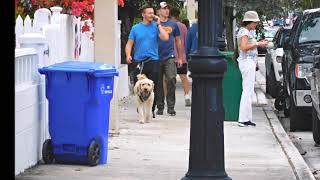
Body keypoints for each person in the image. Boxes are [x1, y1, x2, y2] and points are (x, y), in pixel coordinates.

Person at [125, 5, 169, 118]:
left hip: (153, 60)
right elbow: (129, 43)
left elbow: (165, 38)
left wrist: (159, 24)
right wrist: (128, 55)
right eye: (149, 13)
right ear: (143, 15)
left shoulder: (155, 26)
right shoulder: (136, 28)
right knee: (139, 86)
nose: (152, 15)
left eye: (153, 13)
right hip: (139, 62)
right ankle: (140, 108)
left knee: (153, 87)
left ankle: (151, 110)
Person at [236, 11, 268, 127]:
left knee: (248, 90)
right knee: (247, 90)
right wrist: (258, 44)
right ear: (249, 22)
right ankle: (243, 119)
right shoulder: (245, 32)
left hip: (248, 62)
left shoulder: (244, 31)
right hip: (247, 61)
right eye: (255, 22)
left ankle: (246, 118)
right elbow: (244, 47)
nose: (256, 25)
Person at [156, 2, 183, 116]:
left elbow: (178, 40)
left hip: (169, 56)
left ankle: (171, 107)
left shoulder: (173, 24)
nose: (166, 11)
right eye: (164, 9)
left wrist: (180, 57)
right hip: (156, 57)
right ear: (158, 11)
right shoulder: (154, 24)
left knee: (171, 79)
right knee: (158, 83)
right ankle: (160, 106)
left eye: (167, 9)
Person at [170, 7, 191, 107]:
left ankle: (167, 98)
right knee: (183, 77)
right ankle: (187, 95)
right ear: (178, 16)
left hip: (170, 55)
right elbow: (186, 40)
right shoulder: (183, 26)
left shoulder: (168, 25)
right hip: (182, 55)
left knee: (167, 78)